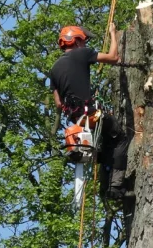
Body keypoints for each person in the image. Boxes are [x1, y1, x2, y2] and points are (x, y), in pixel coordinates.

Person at [49, 23, 130, 199]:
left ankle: (106, 187)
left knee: (106, 145)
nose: (85, 45)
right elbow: (113, 57)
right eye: (84, 42)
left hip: (76, 118)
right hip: (89, 114)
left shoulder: (54, 69)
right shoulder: (82, 53)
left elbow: (57, 103)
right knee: (120, 137)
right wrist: (113, 34)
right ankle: (116, 186)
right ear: (77, 41)